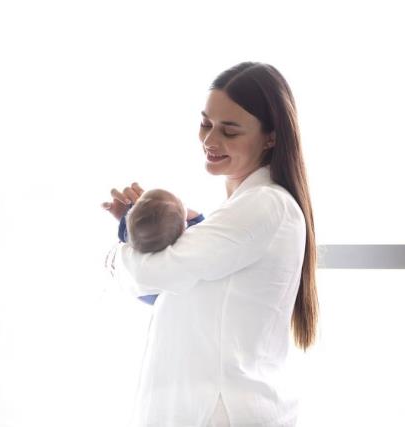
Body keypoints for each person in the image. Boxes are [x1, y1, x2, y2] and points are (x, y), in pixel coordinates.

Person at [101, 62, 319, 427]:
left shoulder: (265, 205)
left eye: (229, 131)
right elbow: (172, 294)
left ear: (271, 137)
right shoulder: (237, 212)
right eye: (205, 124)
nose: (210, 141)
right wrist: (148, 229)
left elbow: (151, 275)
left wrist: (119, 248)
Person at [115, 188, 205, 305]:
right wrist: (189, 213)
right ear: (184, 227)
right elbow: (200, 222)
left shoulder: (130, 231)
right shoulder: (187, 241)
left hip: (141, 291)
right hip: (156, 294)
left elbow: (129, 224)